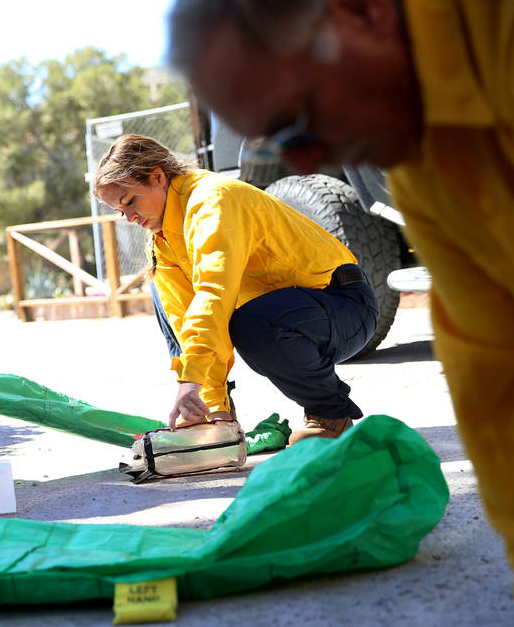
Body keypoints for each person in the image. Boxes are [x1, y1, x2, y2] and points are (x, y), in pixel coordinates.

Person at [166, 0, 514, 627]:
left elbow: (214, 296)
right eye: (278, 142)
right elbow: (503, 377)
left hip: (337, 305)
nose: (309, 160)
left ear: (363, 10)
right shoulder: (416, 147)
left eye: (297, 119)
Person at [94, 134, 376, 439]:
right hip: (293, 311)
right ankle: (217, 415)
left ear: (157, 177)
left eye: (130, 201)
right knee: (164, 295)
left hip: (344, 304)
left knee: (254, 325)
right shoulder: (162, 243)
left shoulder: (213, 201)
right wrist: (212, 409)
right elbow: (185, 319)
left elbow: (213, 293)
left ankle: (330, 415)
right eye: (121, 212)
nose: (131, 218)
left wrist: (190, 382)